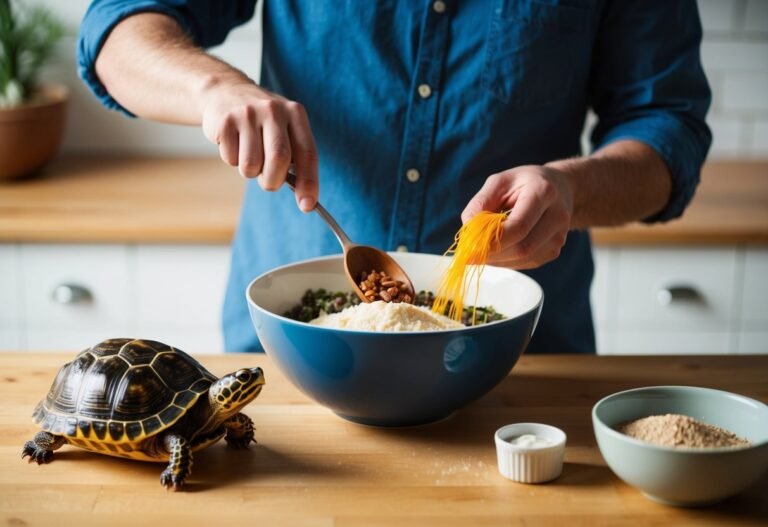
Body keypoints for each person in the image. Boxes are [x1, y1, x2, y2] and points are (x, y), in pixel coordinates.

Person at [77, 1, 711, 354]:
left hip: (518, 359)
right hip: (286, 352)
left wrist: (570, 188)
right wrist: (211, 85)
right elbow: (115, 31)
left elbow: (669, 130)